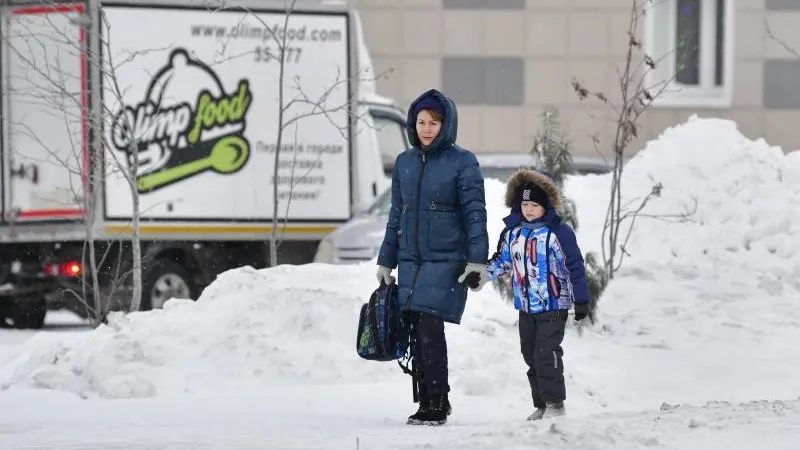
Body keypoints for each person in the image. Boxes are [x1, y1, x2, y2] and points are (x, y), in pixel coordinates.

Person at [375, 88, 489, 426]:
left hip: (446, 261)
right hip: (411, 261)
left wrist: (477, 261)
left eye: (434, 122)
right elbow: (397, 215)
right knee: (414, 330)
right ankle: (428, 399)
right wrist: (386, 260)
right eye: (421, 122)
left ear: (446, 124)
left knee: (429, 327)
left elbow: (474, 214)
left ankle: (436, 401)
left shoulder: (462, 162)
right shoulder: (405, 162)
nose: (426, 128)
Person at [484, 168, 591, 420]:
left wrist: (582, 299)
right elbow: (502, 261)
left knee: (546, 353)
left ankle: (555, 404)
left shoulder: (558, 233)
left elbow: (574, 266)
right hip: (526, 307)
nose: (529, 209)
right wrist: (479, 275)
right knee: (530, 353)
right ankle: (541, 404)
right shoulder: (513, 233)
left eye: (534, 204)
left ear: (546, 206)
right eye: (524, 203)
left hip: (554, 305)